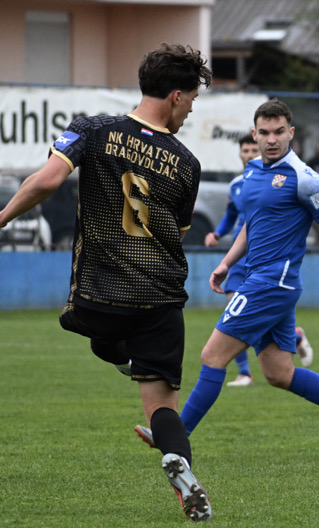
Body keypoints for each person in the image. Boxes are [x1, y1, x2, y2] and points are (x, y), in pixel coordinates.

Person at [0, 44, 214, 521]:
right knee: (162, 406)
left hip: (101, 294)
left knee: (101, 337)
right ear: (175, 96)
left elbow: (46, 181)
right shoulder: (186, 163)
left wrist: (3, 218)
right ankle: (178, 461)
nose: (192, 109)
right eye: (193, 100)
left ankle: (124, 358)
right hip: (161, 298)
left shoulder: (92, 129)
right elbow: (174, 233)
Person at [138, 99, 319, 462]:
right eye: (264, 132)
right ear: (254, 133)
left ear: (291, 133)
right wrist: (227, 262)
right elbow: (253, 224)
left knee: (212, 355)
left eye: (279, 131)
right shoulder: (251, 173)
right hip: (258, 279)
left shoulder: (304, 178)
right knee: (280, 373)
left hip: (271, 284)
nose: (271, 139)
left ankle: (174, 435)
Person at [203, 136, 314, 387]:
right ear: (241, 154)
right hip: (241, 256)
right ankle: (252, 366)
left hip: (265, 259)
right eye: (246, 150)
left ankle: (246, 371)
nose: (250, 153)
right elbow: (232, 215)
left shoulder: (283, 179)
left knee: (233, 319)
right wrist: (218, 235)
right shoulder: (237, 184)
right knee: (234, 312)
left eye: (253, 149)